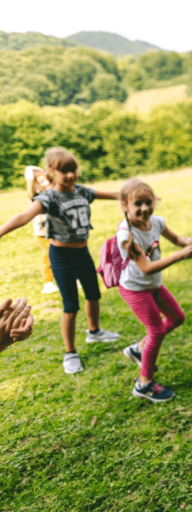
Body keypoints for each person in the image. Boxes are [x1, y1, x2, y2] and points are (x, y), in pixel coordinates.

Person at [0, 147, 120, 374]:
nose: (71, 175)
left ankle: (94, 332)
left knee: (94, 294)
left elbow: (112, 194)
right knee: (70, 305)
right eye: (64, 171)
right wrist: (1, 230)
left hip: (82, 253)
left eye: (73, 169)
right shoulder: (50, 197)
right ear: (51, 172)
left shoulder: (82, 192)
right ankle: (70, 352)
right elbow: (25, 216)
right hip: (62, 257)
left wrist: (132, 194)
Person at [117, 179, 192, 402]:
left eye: (148, 202)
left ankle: (138, 349)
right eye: (138, 204)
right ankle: (144, 384)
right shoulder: (127, 235)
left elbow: (175, 238)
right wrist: (180, 256)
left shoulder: (156, 222)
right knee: (157, 331)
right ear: (125, 205)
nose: (144, 208)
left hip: (153, 285)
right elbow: (145, 267)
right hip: (135, 288)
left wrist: (186, 242)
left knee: (177, 318)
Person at [24, 165, 58, 294]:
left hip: (56, 228)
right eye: (39, 179)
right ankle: (48, 282)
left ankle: (72, 277)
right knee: (48, 253)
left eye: (44, 178)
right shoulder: (35, 194)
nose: (43, 182)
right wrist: (31, 175)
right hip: (42, 230)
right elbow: (29, 177)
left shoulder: (52, 190)